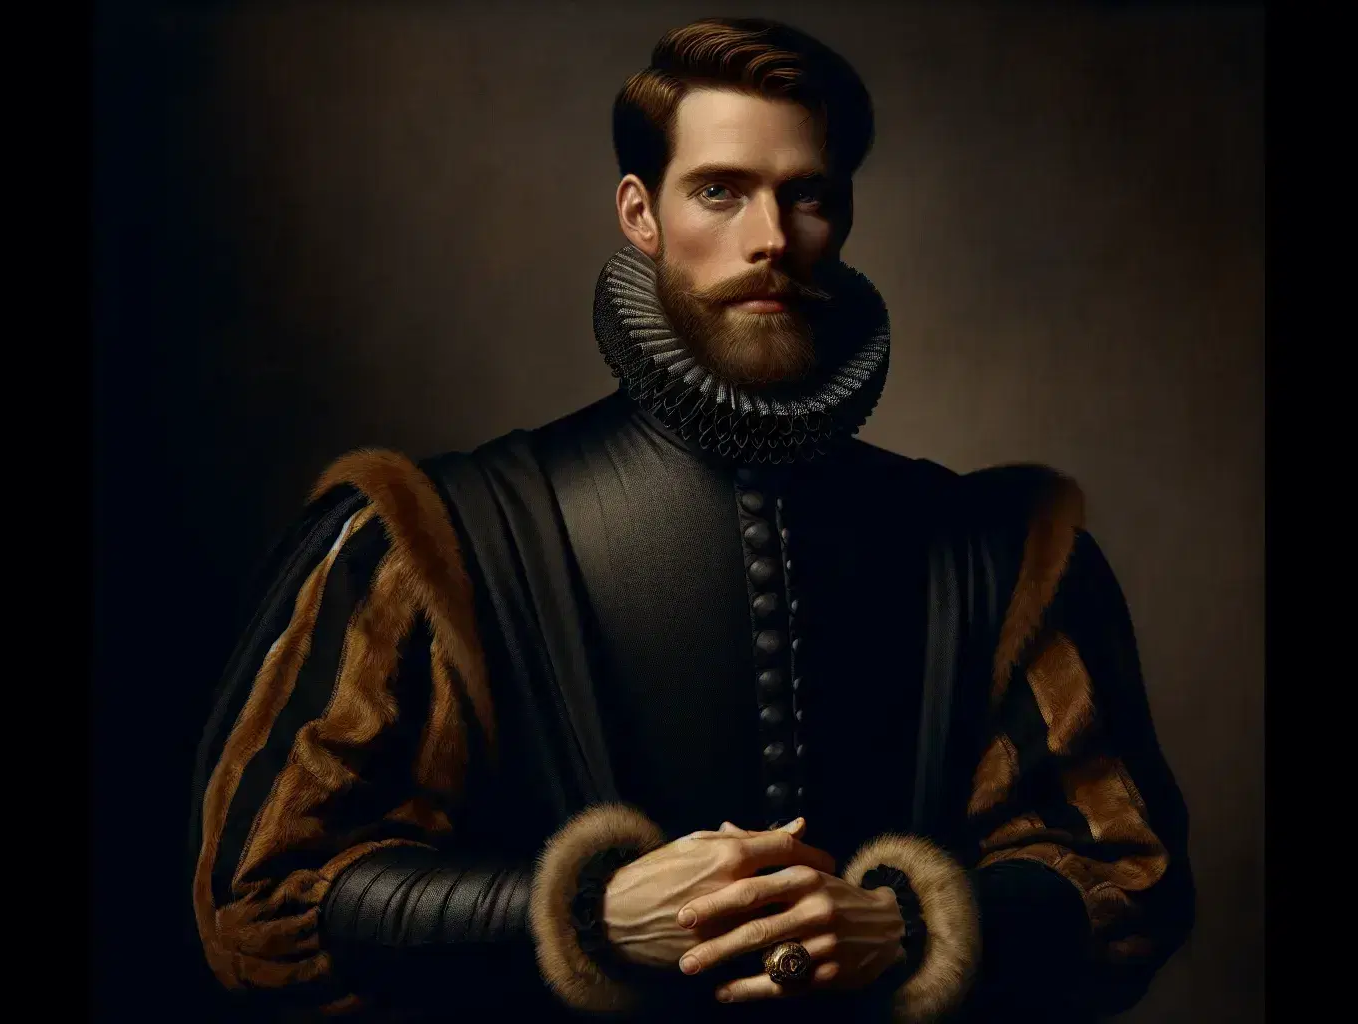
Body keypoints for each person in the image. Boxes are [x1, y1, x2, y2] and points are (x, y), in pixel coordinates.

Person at [189, 17, 1193, 1024]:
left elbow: (1124, 879)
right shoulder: (424, 539)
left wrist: (906, 923)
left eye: (807, 196)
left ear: (840, 217)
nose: (769, 239)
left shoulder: (1002, 554)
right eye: (720, 190)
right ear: (641, 213)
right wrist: (591, 913)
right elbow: (269, 899)